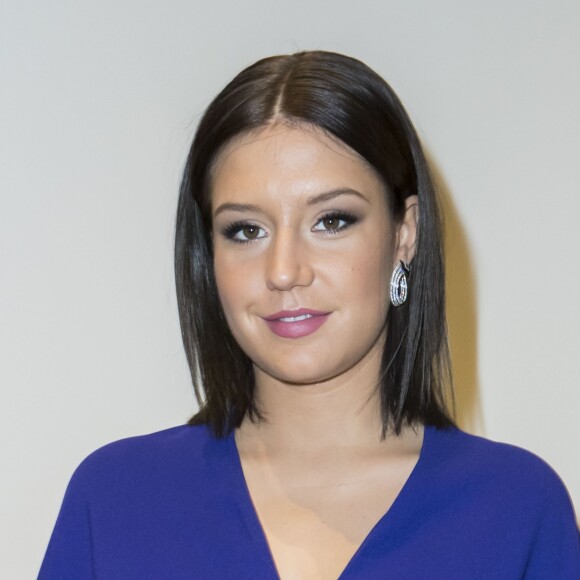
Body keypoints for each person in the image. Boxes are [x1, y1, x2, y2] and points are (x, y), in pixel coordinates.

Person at [39, 51, 579, 579]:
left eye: (332, 221)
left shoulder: (516, 510)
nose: (283, 271)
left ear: (404, 233)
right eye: (246, 230)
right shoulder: (115, 500)